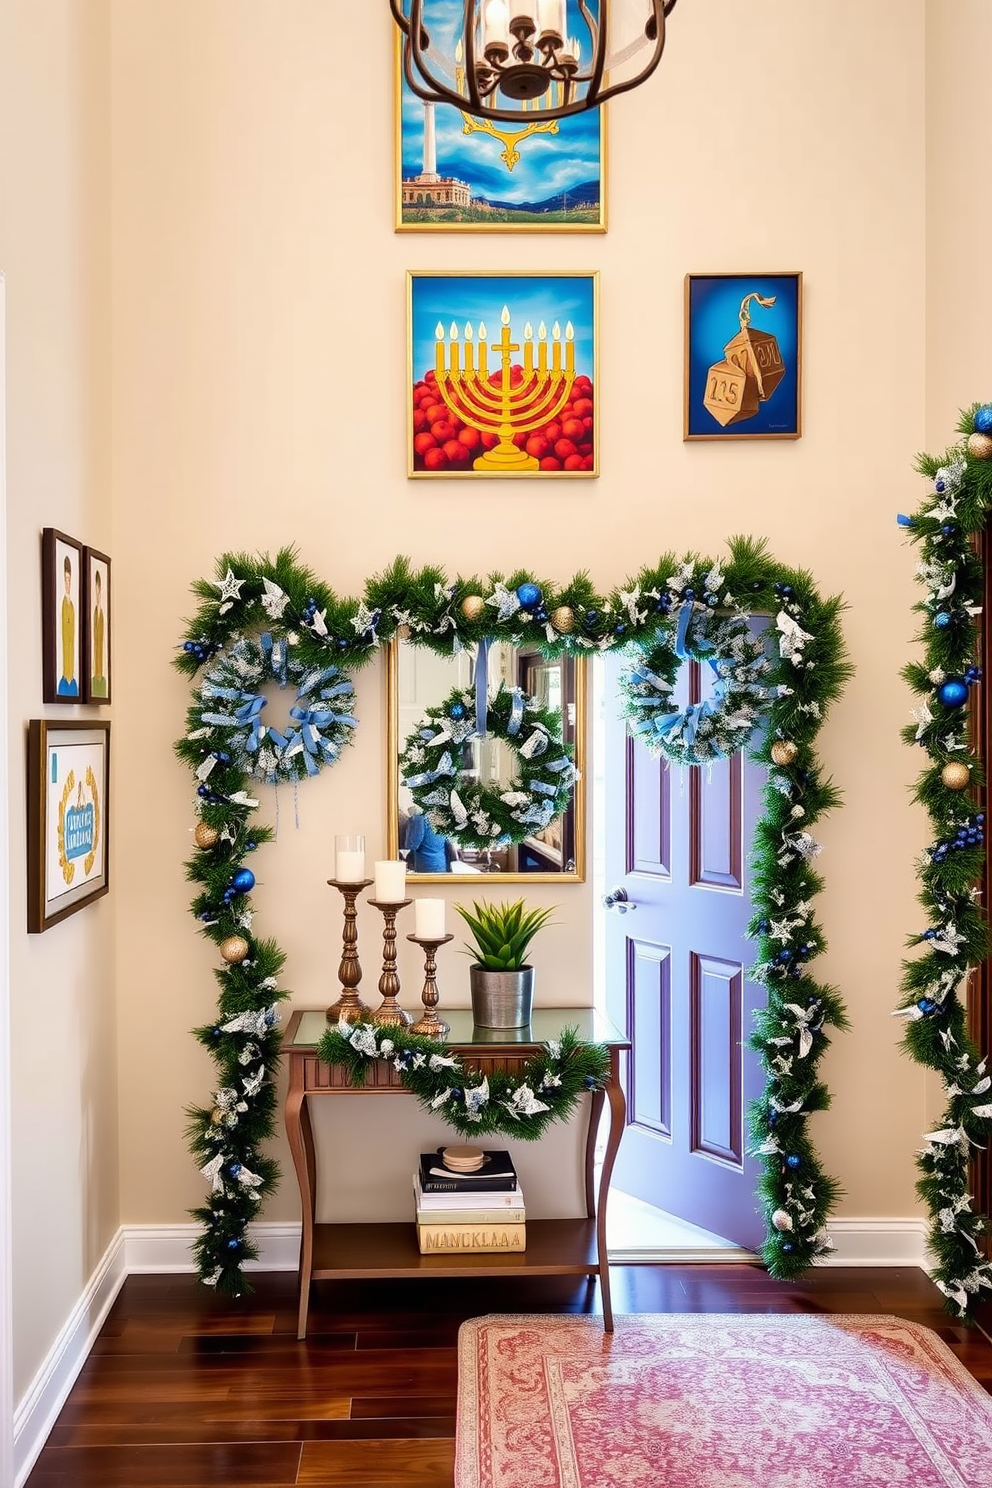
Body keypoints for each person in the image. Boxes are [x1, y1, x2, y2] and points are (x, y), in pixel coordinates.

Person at [401, 806, 459, 873]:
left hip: (425, 867)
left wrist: (413, 819)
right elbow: (449, 844)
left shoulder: (419, 817)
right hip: (441, 866)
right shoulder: (443, 817)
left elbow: (411, 844)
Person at [57, 554, 78, 697]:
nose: (68, 583)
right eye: (66, 580)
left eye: (69, 580)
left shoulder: (72, 606)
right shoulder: (64, 605)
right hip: (65, 669)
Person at [90, 567, 107, 698]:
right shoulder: (94, 613)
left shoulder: (102, 615)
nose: (98, 593)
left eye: (99, 590)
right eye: (96, 591)